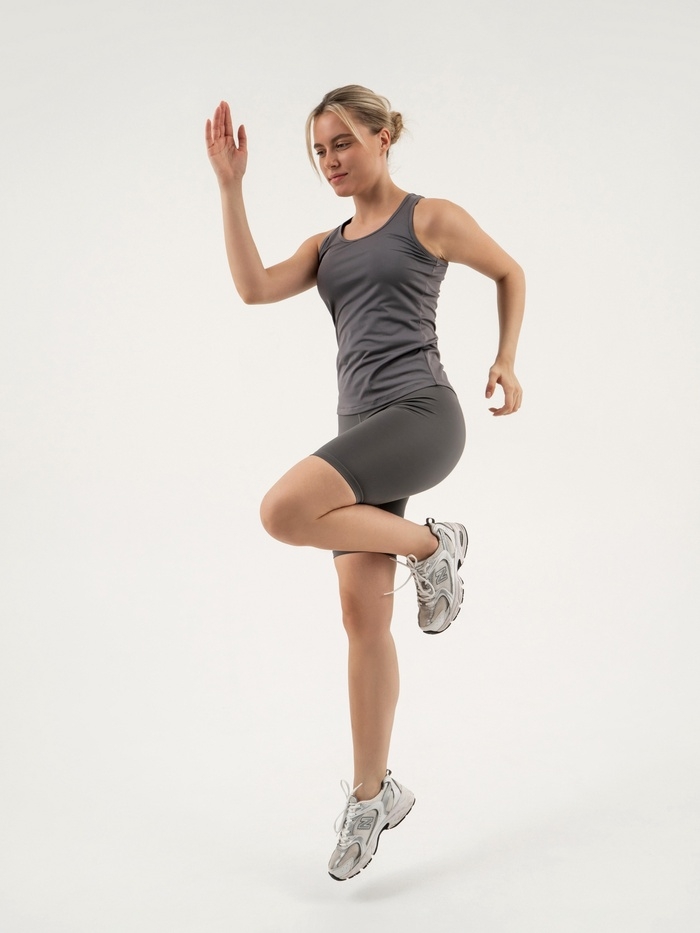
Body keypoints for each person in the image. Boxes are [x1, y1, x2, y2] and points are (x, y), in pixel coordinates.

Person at [205, 86, 524, 881]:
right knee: (361, 619)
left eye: (343, 142)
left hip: (420, 416)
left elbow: (509, 270)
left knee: (283, 509)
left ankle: (432, 544)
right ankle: (373, 794)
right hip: (360, 433)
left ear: (384, 137)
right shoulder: (326, 247)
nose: (331, 161)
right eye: (319, 150)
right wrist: (231, 186)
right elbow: (252, 287)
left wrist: (506, 359)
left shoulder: (428, 217)